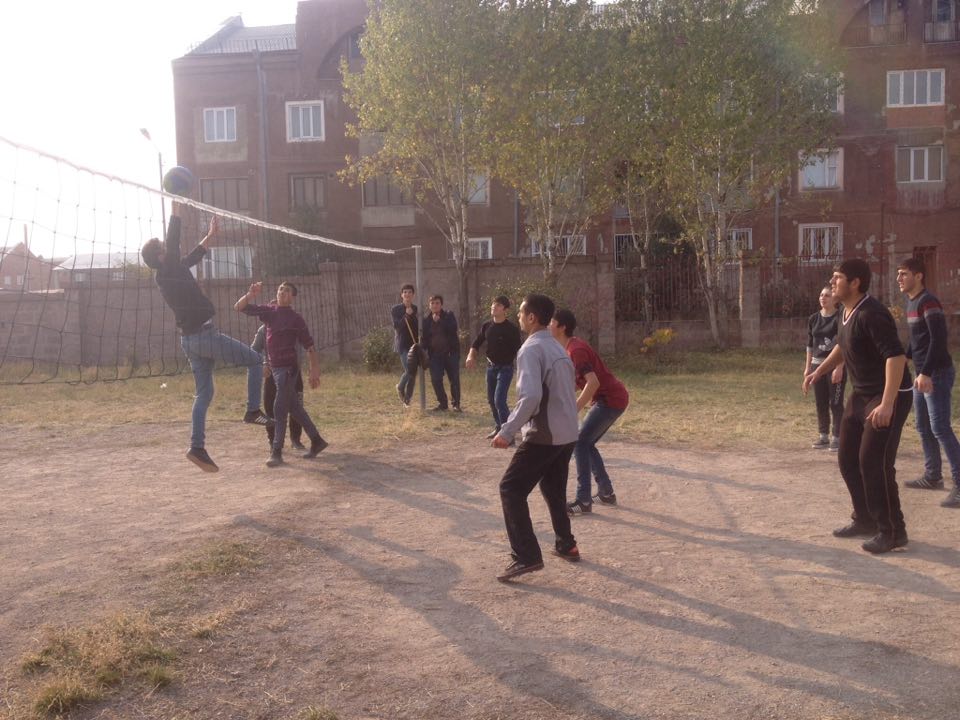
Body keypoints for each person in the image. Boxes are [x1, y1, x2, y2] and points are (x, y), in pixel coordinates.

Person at [140, 212, 272, 474]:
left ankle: (197, 447)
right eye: (164, 248)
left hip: (189, 340)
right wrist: (178, 207)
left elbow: (193, 255)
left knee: (204, 394)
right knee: (255, 360)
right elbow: (174, 240)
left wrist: (210, 236)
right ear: (161, 256)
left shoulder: (169, 272)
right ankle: (252, 410)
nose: (169, 248)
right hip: (204, 336)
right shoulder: (169, 268)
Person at [803, 258, 913, 554]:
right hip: (863, 393)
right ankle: (864, 519)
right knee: (847, 458)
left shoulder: (873, 314)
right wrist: (819, 371)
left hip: (889, 394)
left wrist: (887, 404)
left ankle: (893, 531)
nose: (832, 282)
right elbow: (843, 344)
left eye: (838, 277)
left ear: (855, 283)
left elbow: (896, 358)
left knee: (874, 462)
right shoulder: (846, 311)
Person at [492, 294, 580, 581]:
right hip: (567, 433)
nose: (518, 317)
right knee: (553, 488)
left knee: (510, 489)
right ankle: (566, 544)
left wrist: (507, 431)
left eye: (520, 312)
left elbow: (530, 397)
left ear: (531, 317)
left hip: (545, 434)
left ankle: (526, 556)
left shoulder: (530, 349)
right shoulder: (557, 346)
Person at [235, 281, 327, 467]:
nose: (282, 292)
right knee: (295, 408)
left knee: (279, 408)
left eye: (287, 290)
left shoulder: (296, 319)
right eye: (280, 289)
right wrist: (251, 294)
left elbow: (309, 346)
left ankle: (276, 451)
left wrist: (314, 369)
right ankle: (317, 441)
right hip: (275, 369)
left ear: (292, 297)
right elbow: (239, 307)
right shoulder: (270, 311)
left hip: (288, 369)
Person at [549, 309, 630, 514]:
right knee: (586, 443)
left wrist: (574, 408)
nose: (548, 325)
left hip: (610, 399)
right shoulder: (570, 348)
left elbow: (592, 383)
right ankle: (606, 492)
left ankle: (584, 500)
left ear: (562, 327)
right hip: (610, 398)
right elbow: (580, 383)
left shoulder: (576, 350)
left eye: (551, 322)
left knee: (580, 442)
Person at [897, 258, 960, 508]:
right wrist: (905, 357)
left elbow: (937, 339)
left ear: (919, 276)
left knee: (940, 428)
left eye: (904, 274)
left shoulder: (928, 301)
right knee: (923, 427)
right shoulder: (911, 301)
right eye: (898, 274)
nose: (899, 278)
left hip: (936, 373)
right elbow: (917, 338)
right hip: (921, 373)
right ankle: (933, 476)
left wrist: (925, 372)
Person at [466, 295, 523, 439]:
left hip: (505, 369)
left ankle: (507, 434)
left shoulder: (512, 329)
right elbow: (476, 343)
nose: (494, 307)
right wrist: (470, 356)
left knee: (499, 400)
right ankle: (499, 427)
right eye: (493, 304)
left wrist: (522, 369)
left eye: (498, 305)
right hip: (491, 368)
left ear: (505, 310)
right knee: (491, 400)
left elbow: (520, 351)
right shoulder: (487, 326)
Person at [804, 284, 846, 452]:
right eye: (821, 295)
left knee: (835, 402)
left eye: (827, 295)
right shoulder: (813, 319)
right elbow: (809, 345)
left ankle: (837, 437)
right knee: (820, 401)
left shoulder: (840, 317)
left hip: (834, 365)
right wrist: (808, 368)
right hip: (817, 365)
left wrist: (839, 367)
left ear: (834, 299)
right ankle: (823, 436)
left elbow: (843, 344)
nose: (823, 298)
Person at [252, 322, 304, 451]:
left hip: (293, 372)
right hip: (272, 373)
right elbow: (253, 351)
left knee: (297, 407)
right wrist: (263, 363)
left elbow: (305, 346)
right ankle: (273, 441)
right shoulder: (263, 329)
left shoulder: (293, 324)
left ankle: (296, 439)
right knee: (270, 408)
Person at [420, 294, 461, 412]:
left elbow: (453, 329)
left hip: (450, 354)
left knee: (454, 379)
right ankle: (443, 404)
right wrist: (421, 350)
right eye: (432, 303)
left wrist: (440, 322)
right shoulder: (426, 320)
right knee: (436, 379)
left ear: (441, 304)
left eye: (437, 303)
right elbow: (425, 338)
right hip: (435, 355)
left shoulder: (448, 315)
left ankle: (456, 404)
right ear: (429, 305)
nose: (435, 305)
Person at [390, 283, 419, 406]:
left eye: (410, 292)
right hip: (402, 344)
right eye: (405, 292)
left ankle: (407, 399)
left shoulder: (415, 308)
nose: (407, 294)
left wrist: (412, 315)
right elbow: (397, 327)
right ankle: (400, 387)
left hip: (413, 344)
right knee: (409, 370)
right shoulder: (395, 309)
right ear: (401, 295)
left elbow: (416, 327)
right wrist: (407, 315)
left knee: (413, 373)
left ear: (413, 295)